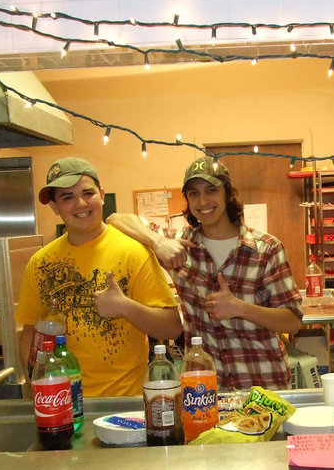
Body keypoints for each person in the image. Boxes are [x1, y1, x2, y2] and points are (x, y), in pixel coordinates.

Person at [107, 157, 303, 391]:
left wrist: (239, 308)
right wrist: (158, 242)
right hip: (204, 390)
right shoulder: (179, 245)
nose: (203, 201)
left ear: (228, 194)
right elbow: (115, 219)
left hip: (262, 386)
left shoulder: (267, 249)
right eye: (194, 193)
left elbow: (292, 321)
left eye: (211, 190)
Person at [15, 157, 181, 397]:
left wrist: (124, 307)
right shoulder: (41, 263)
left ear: (102, 195)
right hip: (62, 402)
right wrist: (37, 386)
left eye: (88, 193)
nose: (80, 204)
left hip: (125, 402)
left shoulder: (133, 252)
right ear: (54, 207)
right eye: (67, 197)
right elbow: (30, 332)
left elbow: (172, 327)